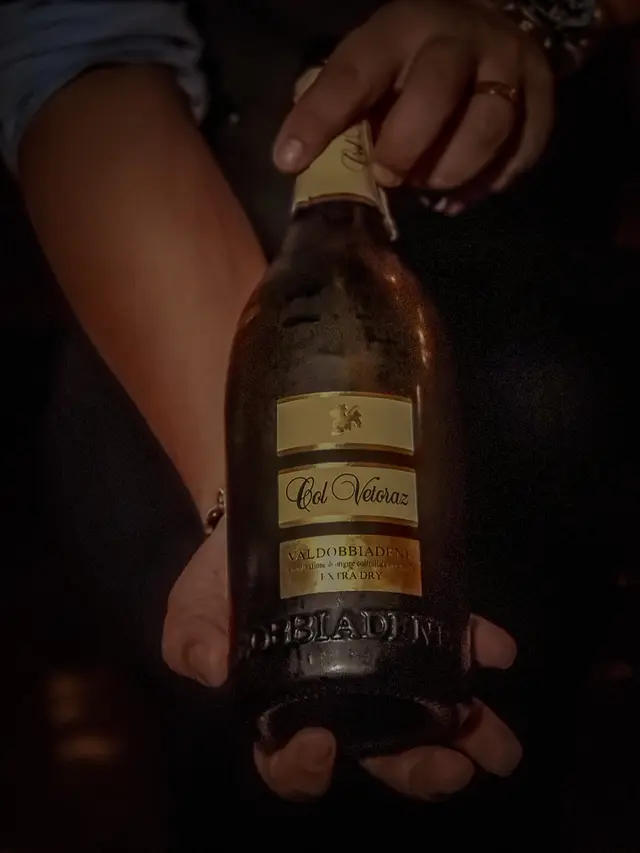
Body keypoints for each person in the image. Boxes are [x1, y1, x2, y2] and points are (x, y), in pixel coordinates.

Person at [0, 0, 634, 815]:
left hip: (533, 311)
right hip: (175, 297)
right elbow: (73, 54)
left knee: (506, 773)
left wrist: (545, 14)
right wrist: (246, 508)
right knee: (235, 786)